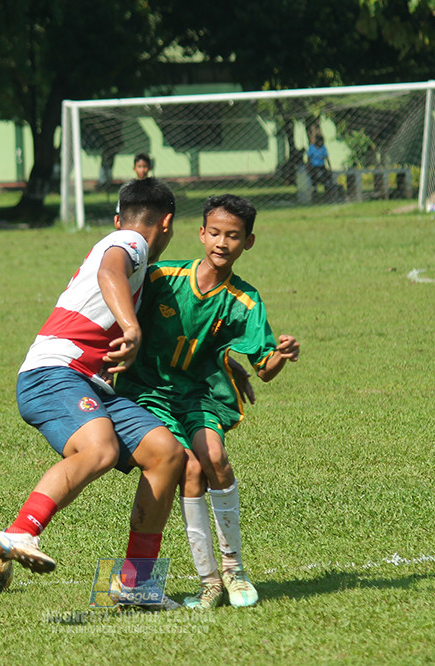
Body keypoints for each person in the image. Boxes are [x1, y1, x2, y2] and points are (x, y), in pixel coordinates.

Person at [0, 178, 185, 609]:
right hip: (53, 372)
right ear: (167, 223)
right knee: (99, 450)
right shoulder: (130, 242)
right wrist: (131, 327)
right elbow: (109, 272)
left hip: (89, 384)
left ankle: (135, 584)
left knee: (166, 454)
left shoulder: (125, 245)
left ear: (118, 216)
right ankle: (21, 530)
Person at [116, 194, 300, 610]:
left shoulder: (244, 300)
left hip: (198, 395)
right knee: (191, 467)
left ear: (248, 242)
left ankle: (234, 570)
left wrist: (281, 354)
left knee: (214, 457)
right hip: (149, 392)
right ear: (201, 233)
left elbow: (265, 368)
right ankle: (209, 582)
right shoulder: (163, 277)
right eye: (215, 232)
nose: (222, 242)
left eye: (233, 236)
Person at [306, 134, 332, 200]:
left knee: (327, 175)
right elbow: (309, 158)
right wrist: (308, 167)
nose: (320, 143)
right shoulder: (312, 148)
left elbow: (326, 158)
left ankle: (327, 187)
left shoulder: (323, 148)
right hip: (313, 166)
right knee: (314, 175)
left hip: (321, 165)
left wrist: (329, 167)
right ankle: (315, 188)